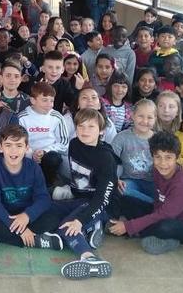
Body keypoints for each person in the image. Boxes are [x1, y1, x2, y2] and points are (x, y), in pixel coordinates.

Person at [108, 131, 183, 255]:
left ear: (177, 157)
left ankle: (160, 237)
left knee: (164, 227)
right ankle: (139, 231)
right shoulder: (156, 170)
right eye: (157, 157)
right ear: (152, 156)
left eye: (168, 157)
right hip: (163, 212)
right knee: (125, 199)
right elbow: (158, 204)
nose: (163, 163)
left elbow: (165, 215)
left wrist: (129, 226)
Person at [0, 124, 65, 251]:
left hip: (27, 215)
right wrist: (15, 226)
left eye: (19, 145)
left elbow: (43, 198)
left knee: (53, 216)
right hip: (6, 216)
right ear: (0, 147)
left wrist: (27, 215)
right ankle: (36, 240)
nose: (14, 151)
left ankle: (1, 237)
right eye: (8, 145)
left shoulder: (33, 167)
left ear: (26, 148)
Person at [57, 108, 117, 280]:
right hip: (79, 199)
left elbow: (102, 198)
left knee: (67, 226)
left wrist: (80, 220)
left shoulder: (106, 158)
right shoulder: (74, 144)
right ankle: (92, 228)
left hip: (98, 203)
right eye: (81, 126)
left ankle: (89, 258)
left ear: (101, 131)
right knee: (48, 208)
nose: (85, 131)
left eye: (91, 127)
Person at [17, 82, 71, 188]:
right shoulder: (22, 117)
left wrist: (45, 151)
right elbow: (18, 142)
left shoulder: (57, 116)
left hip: (49, 155)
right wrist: (31, 154)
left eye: (52, 101)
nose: (49, 104)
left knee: (53, 159)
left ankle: (49, 184)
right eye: (44, 100)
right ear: (33, 100)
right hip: (28, 156)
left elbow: (64, 143)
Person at [111, 99, 155, 203]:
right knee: (121, 190)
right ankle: (154, 204)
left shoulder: (158, 139)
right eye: (140, 116)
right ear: (132, 115)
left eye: (149, 117)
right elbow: (110, 161)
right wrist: (116, 179)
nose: (145, 121)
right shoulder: (121, 137)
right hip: (130, 180)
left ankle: (152, 205)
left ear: (155, 119)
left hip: (153, 181)